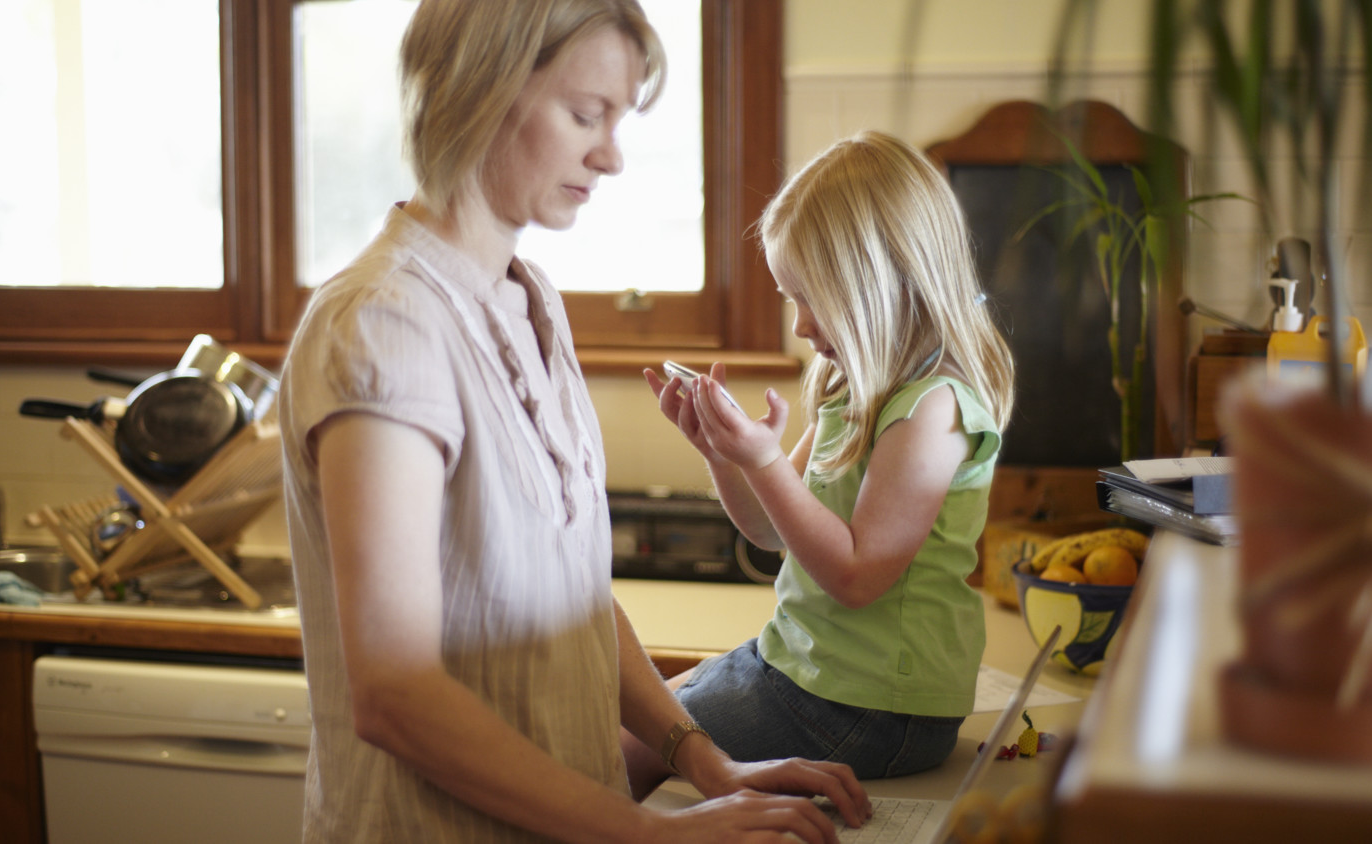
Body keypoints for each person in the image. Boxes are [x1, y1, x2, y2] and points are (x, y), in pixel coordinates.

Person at [277, 1, 873, 841]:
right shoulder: (385, 325)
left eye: (618, 119)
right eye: (586, 113)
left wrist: (704, 760)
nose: (612, 154)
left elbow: (578, 603)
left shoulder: (535, 301)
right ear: (475, 91)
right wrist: (654, 833)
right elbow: (395, 696)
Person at [631, 130, 1015, 792]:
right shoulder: (856, 390)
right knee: (636, 714)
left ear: (886, 286)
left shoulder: (933, 410)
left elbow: (858, 576)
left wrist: (765, 458)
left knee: (621, 750)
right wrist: (726, 454)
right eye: (790, 299)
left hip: (868, 709)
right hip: (808, 673)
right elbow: (770, 531)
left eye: (812, 298)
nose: (801, 326)